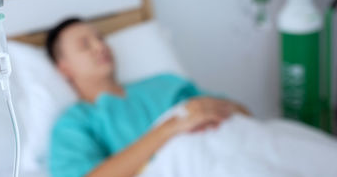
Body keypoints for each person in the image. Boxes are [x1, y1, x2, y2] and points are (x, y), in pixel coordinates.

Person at [46, 17, 249, 177]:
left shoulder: (165, 84)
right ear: (64, 68)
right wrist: (170, 128)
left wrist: (221, 111)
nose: (100, 47)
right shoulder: (74, 123)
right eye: (85, 45)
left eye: (101, 39)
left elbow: (244, 114)